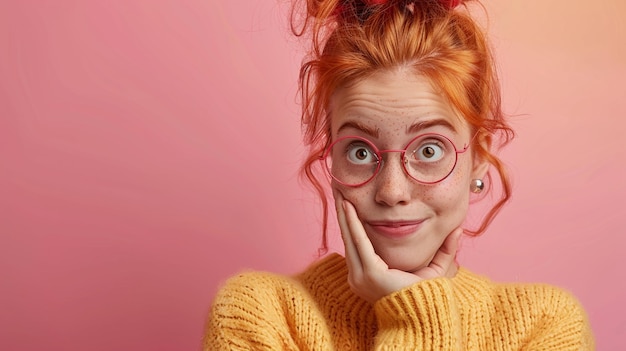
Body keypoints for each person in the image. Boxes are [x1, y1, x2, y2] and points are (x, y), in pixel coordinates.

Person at [204, 0, 595, 349]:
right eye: (360, 151)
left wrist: (414, 315)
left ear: (478, 157)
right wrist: (416, 320)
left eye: (429, 150)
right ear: (331, 159)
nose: (392, 192)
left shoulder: (544, 326)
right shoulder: (262, 316)